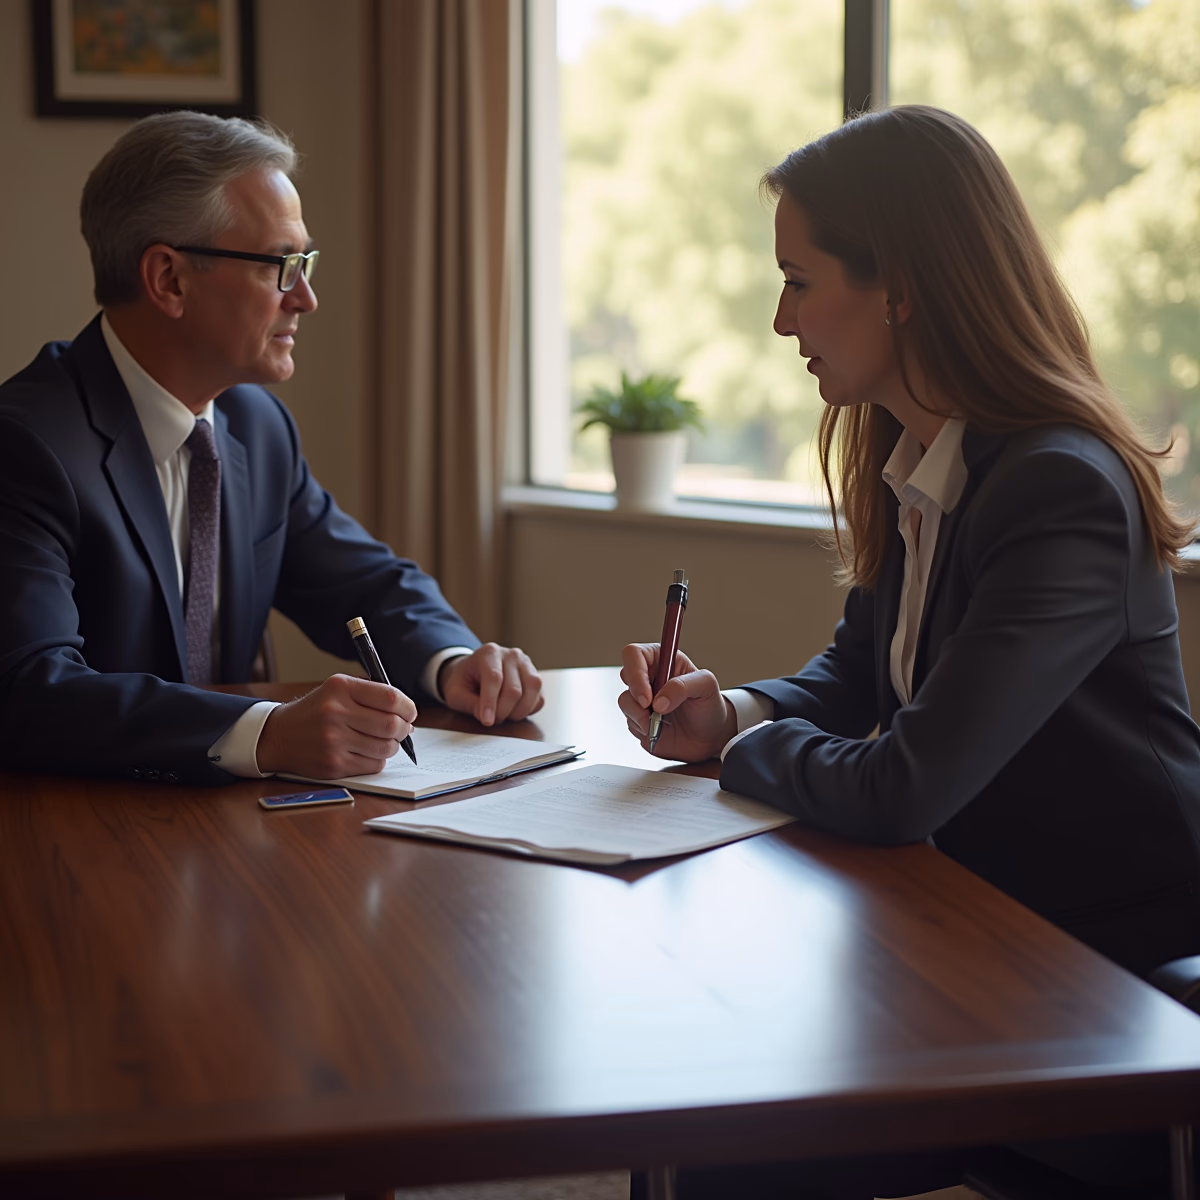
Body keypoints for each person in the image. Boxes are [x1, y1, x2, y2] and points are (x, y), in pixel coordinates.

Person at [620, 105, 1200, 1196]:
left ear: (903, 286)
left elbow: (904, 784)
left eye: (798, 279)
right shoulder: (926, 458)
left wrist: (728, 761)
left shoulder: (1059, 486)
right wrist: (729, 712)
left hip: (1101, 968)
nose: (781, 318)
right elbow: (857, 677)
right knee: (715, 1110)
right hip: (973, 930)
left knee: (732, 1143)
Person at [0, 111, 542, 786]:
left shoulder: (255, 425)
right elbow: (29, 689)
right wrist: (266, 733)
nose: (307, 298)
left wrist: (454, 662)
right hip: (77, 836)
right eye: (283, 265)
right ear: (168, 279)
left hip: (223, 834)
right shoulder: (25, 445)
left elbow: (364, 581)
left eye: (304, 263)